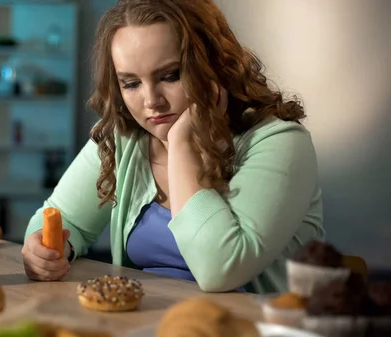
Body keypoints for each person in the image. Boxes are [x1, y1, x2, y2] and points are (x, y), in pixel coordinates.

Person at [21, 0, 324, 293]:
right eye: (131, 83)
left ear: (214, 66)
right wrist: (45, 249)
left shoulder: (280, 142)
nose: (152, 100)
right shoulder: (126, 138)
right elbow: (62, 218)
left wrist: (181, 144)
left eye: (170, 76)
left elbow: (220, 270)